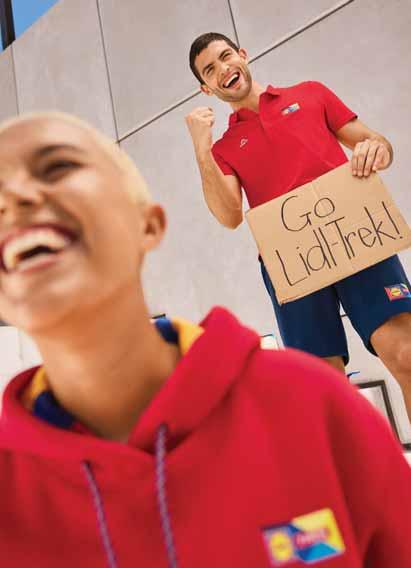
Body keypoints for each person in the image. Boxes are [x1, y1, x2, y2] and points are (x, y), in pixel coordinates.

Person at [0, 112, 409, 568]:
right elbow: (229, 212)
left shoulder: (313, 405)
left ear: (148, 224)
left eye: (57, 167)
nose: (14, 198)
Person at [185, 32, 411, 421]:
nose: (223, 69)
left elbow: (377, 144)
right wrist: (201, 149)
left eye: (225, 56)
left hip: (355, 234)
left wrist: (377, 148)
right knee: (325, 396)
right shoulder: (223, 148)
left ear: (242, 55)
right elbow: (229, 216)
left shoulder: (310, 94)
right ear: (206, 88)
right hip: (289, 264)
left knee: (406, 354)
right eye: (209, 70)